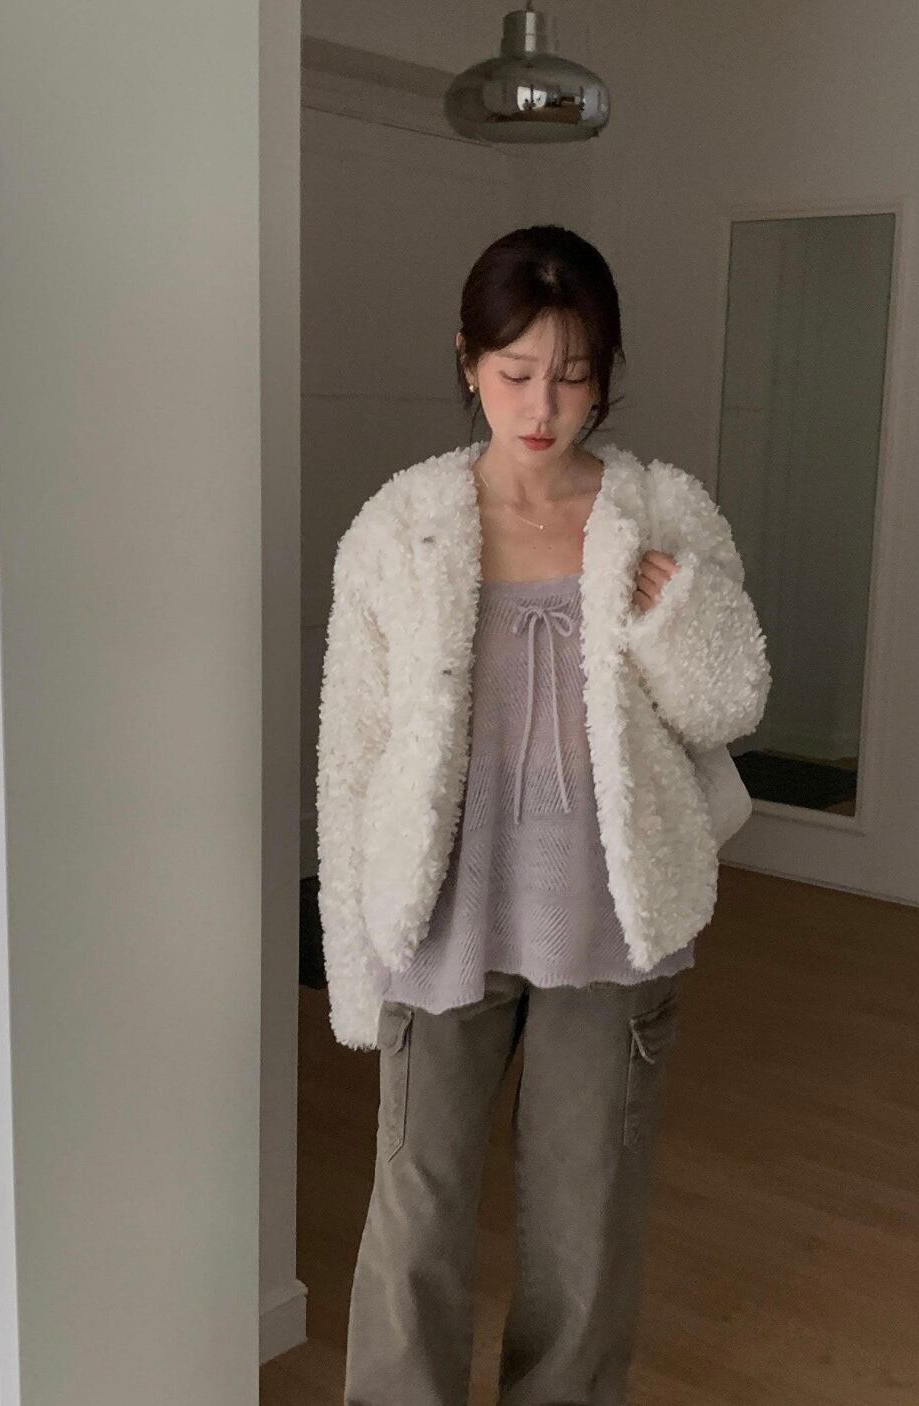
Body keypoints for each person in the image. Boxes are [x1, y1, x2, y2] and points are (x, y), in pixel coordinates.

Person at [316, 224, 772, 1405]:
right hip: (439, 922)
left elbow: (732, 703)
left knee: (585, 1231)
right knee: (413, 1227)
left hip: (606, 928)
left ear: (604, 373)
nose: (541, 404)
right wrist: (355, 958)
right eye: (515, 370)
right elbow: (351, 756)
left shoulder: (659, 514)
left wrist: (678, 617)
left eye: (571, 374)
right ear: (467, 360)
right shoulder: (401, 529)